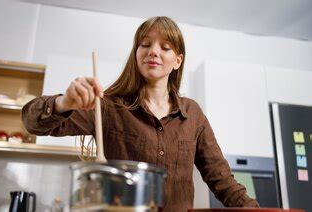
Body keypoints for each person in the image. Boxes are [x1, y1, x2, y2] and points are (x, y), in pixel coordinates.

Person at [22, 16, 259, 211]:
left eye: (165, 47)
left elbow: (222, 181)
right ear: (136, 55)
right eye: (145, 44)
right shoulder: (107, 106)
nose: (153, 51)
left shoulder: (193, 114)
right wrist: (65, 102)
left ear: (177, 61)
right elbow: (32, 123)